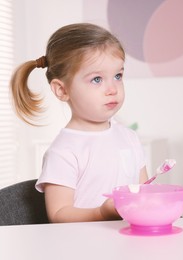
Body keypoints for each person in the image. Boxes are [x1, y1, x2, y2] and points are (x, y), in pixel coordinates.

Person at [10, 23, 148, 223]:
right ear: (62, 90)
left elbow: (144, 192)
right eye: (97, 79)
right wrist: (101, 213)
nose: (112, 89)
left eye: (118, 76)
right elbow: (59, 214)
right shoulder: (64, 151)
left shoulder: (130, 138)